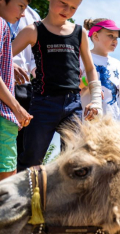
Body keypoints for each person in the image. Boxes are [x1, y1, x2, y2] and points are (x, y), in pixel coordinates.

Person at [14, 0, 103, 172]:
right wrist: (10, 64)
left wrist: (96, 100)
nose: (67, 10)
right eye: (63, 3)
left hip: (73, 105)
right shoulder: (33, 30)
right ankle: (26, 199)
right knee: (31, 162)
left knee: (75, 163)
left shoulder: (80, 32)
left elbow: (91, 69)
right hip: (42, 105)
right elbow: (5, 54)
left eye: (73, 8)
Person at [0, 0, 32, 182]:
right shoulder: (1, 24)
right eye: (20, 6)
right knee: (7, 183)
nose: (22, 14)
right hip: (3, 114)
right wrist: (16, 108)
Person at [80, 18, 120, 121]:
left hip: (113, 123)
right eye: (110, 36)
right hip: (89, 122)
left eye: (116, 38)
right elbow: (73, 85)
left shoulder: (117, 63)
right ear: (95, 36)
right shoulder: (83, 58)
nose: (115, 41)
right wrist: (87, 81)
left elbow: (112, 95)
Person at [11, 5, 40, 163]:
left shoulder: (32, 15)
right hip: (3, 82)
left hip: (24, 88)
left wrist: (43, 76)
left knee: (21, 149)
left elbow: (35, 58)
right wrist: (7, 62)